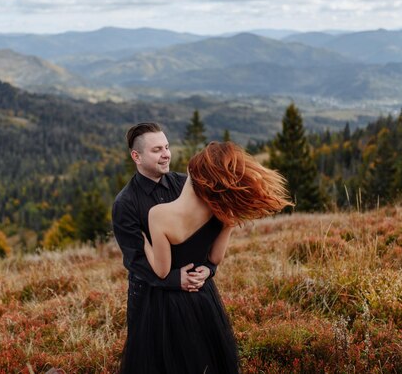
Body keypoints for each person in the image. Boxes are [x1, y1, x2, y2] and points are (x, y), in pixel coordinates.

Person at [122, 141, 293, 373]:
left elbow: (162, 271)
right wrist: (207, 270)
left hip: (168, 306)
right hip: (203, 298)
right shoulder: (222, 211)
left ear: (194, 174)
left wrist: (144, 242)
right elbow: (214, 257)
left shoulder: (159, 215)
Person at [112, 123, 217, 333]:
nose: (166, 154)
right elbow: (135, 259)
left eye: (167, 147)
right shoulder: (126, 203)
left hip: (196, 290)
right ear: (136, 156)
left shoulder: (187, 185)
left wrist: (209, 269)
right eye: (157, 150)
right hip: (152, 299)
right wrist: (175, 280)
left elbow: (207, 232)